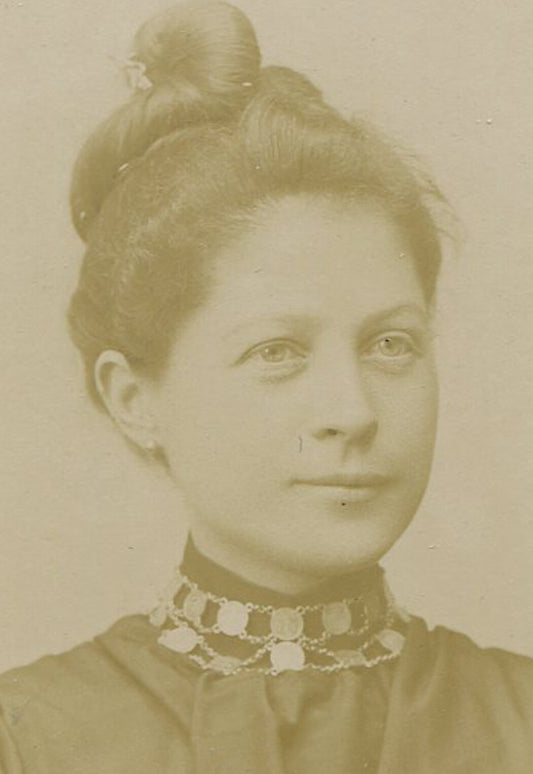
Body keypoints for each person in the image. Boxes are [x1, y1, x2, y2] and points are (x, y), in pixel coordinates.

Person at [1, 2, 532, 772]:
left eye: (390, 343)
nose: (351, 412)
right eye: (276, 350)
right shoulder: (31, 740)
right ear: (132, 397)